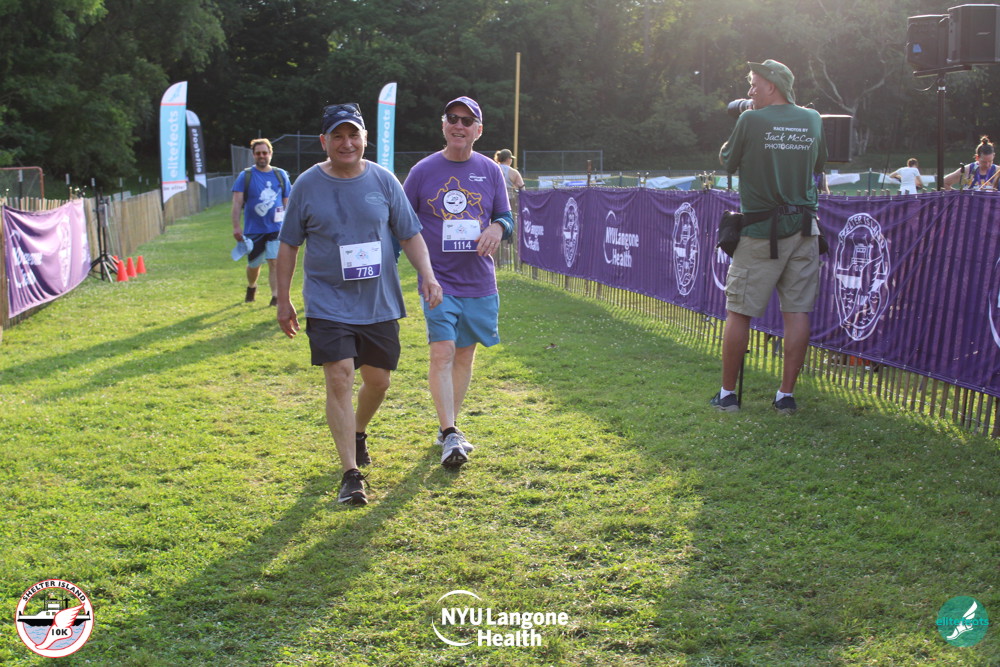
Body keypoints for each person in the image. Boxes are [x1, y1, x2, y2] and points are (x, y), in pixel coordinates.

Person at [275, 103, 442, 506]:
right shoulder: (307, 185)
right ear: (324, 141)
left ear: (365, 139)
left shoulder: (383, 180)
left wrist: (427, 274)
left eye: (354, 135)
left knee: (379, 381)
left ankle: (358, 431)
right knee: (339, 377)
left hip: (378, 301)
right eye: (338, 136)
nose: (346, 143)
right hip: (327, 301)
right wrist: (284, 299)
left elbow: (410, 234)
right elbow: (288, 245)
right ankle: (350, 474)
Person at [403, 96, 514, 468]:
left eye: (467, 121)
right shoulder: (422, 171)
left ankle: (447, 427)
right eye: (453, 118)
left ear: (478, 130)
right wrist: (420, 271)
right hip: (438, 281)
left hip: (479, 281)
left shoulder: (491, 170)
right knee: (442, 352)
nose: (459, 125)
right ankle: (451, 432)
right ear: (443, 124)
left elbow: (506, 217)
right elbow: (401, 221)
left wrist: (497, 228)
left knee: (464, 355)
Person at [712, 60, 827, 415]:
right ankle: (785, 396)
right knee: (797, 312)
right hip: (805, 230)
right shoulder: (813, 119)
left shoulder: (750, 120)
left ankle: (728, 395)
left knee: (739, 311)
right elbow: (818, 165)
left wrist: (745, 122)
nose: (750, 92)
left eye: (754, 85)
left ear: (772, 86)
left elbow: (727, 160)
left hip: (762, 232)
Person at [231, 138, 292, 305]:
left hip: (276, 228)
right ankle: (252, 286)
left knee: (274, 261)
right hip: (254, 229)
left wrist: (290, 223)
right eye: (258, 153)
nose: (262, 156)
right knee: (254, 265)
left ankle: (275, 297)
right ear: (253, 155)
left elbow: (287, 201)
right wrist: (236, 227)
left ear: (270, 154)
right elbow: (237, 203)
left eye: (265, 152)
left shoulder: (280, 175)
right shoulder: (246, 176)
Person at [494, 148, 525, 225]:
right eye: (511, 158)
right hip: (509, 199)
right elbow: (522, 188)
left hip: (493, 198)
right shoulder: (513, 172)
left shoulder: (493, 168)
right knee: (510, 219)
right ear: (508, 159)